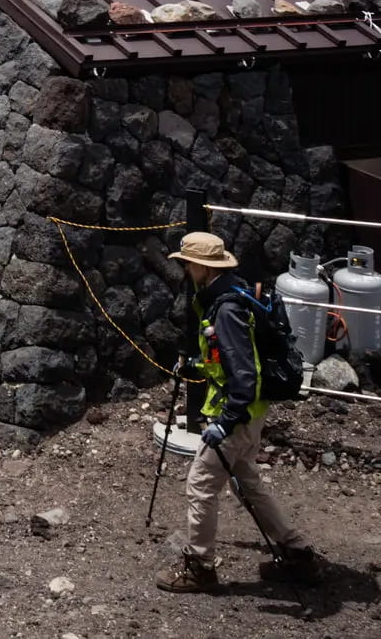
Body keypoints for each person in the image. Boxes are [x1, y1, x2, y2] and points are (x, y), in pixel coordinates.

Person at [157, 232, 323, 592]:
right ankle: (296, 553)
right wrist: (198, 368)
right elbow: (228, 364)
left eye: (187, 263)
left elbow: (243, 374)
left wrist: (227, 420)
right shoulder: (234, 293)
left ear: (202, 266)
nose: (185, 269)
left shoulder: (227, 310)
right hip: (252, 411)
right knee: (247, 481)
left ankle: (200, 566)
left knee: (201, 484)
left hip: (237, 414)